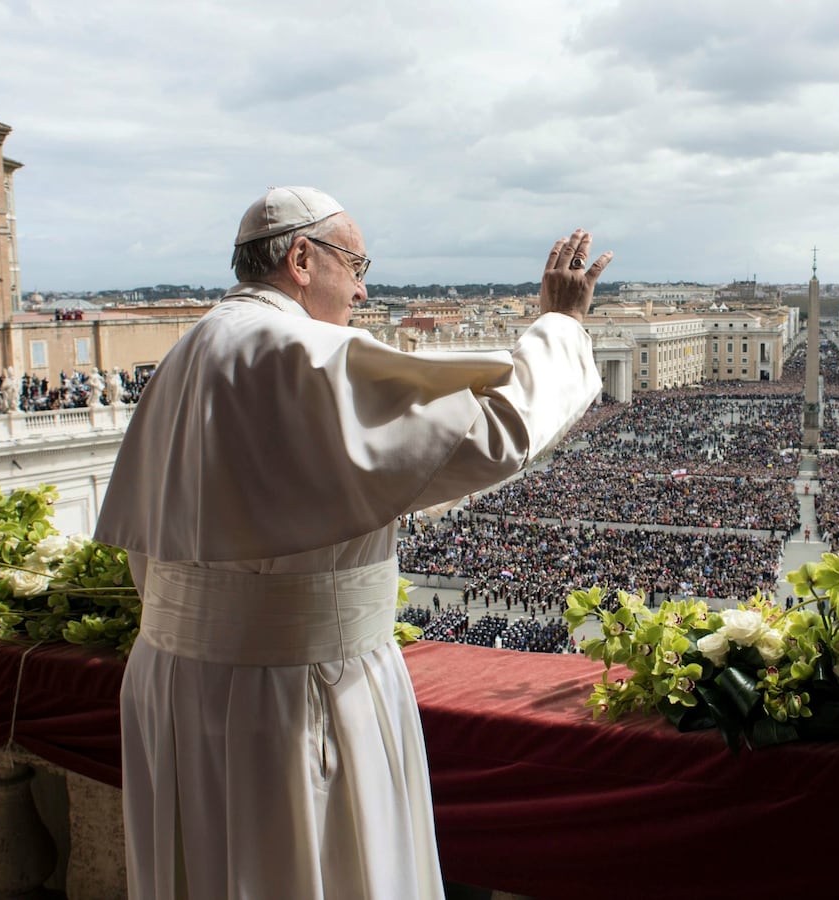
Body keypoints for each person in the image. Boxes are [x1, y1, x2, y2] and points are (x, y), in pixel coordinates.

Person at [94, 186, 610, 899]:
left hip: (173, 682)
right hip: (295, 688)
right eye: (356, 264)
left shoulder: (190, 352)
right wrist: (559, 323)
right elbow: (494, 433)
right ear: (302, 258)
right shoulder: (298, 352)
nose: (364, 289)